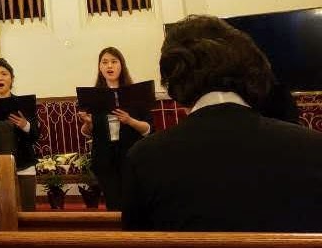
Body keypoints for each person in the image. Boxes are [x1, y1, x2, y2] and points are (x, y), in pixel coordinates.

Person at [122, 15, 322, 232]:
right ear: (252, 72)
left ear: (174, 83)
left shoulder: (144, 158)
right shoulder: (313, 147)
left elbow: (137, 246)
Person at [77, 47, 151, 210]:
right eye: (104, 62)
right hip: (105, 157)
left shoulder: (136, 93)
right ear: (100, 67)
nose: (109, 66)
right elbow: (87, 132)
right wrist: (88, 123)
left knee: (132, 202)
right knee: (113, 203)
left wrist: (129, 120)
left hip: (131, 155)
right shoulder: (93, 96)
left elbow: (148, 129)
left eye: (114, 61)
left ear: (121, 65)